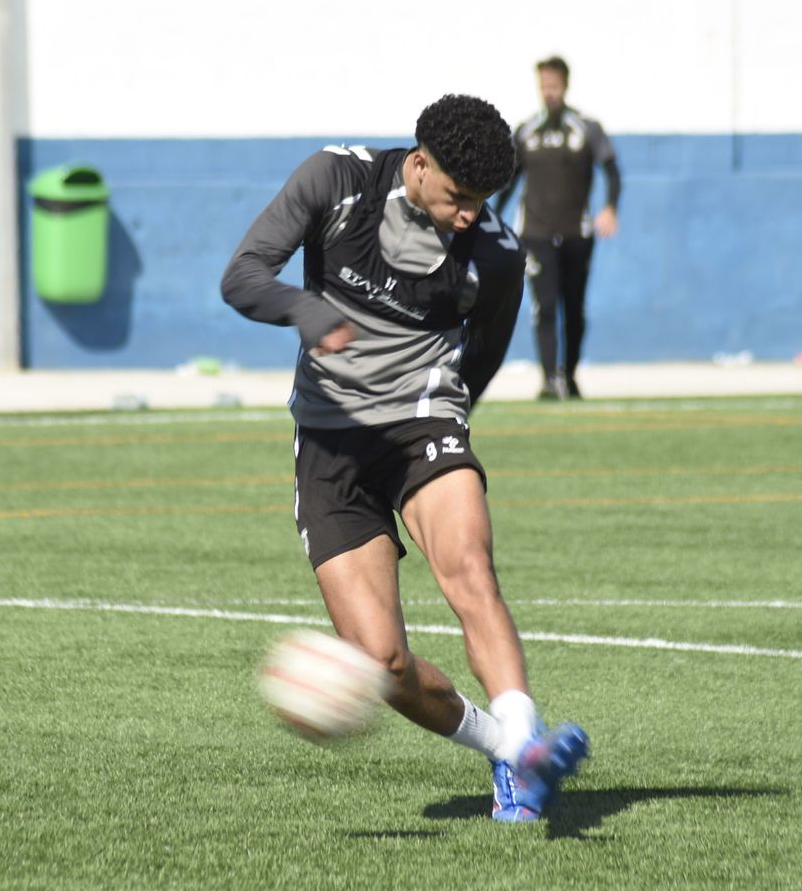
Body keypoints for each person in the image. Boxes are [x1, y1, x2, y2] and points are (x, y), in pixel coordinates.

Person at [220, 94, 590, 821]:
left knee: (470, 571)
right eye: (457, 196)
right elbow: (243, 274)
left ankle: (526, 747)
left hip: (423, 424)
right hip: (330, 444)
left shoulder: (495, 253)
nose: (467, 214)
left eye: (480, 201)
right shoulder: (336, 180)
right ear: (419, 164)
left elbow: (478, 364)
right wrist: (305, 310)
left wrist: (446, 433)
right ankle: (505, 751)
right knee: (383, 664)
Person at [494, 56, 622, 400]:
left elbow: (611, 169)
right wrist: (490, 216)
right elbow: (508, 181)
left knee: (574, 307)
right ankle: (549, 379)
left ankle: (571, 373)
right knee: (544, 306)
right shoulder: (526, 131)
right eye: (544, 86)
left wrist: (610, 207)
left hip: (577, 233)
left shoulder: (585, 127)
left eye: (554, 86)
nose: (549, 92)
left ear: (565, 85)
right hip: (535, 233)